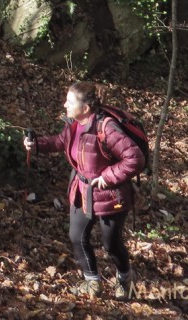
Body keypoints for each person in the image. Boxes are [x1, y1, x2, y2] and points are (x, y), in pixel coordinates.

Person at [23, 82, 144, 299]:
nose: (64, 104)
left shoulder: (106, 127)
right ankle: (93, 284)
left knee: (111, 244)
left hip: (111, 195)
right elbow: (61, 142)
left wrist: (107, 177)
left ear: (86, 108)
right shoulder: (73, 124)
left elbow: (135, 158)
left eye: (70, 102)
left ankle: (125, 280)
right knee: (77, 236)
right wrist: (37, 145)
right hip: (81, 190)